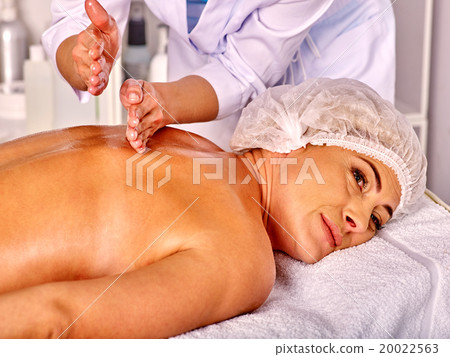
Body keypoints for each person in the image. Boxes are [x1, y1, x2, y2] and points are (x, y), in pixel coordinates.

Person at [0, 79, 426, 338]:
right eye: (359, 177)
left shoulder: (184, 143)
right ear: (300, 135)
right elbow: (56, 323)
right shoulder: (243, 257)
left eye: (377, 218)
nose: (357, 220)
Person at [42, 0, 396, 152]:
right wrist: (84, 55)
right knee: (203, 188)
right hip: (200, 59)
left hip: (332, 45)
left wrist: (167, 102)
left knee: (329, 195)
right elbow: (77, 16)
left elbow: (244, 68)